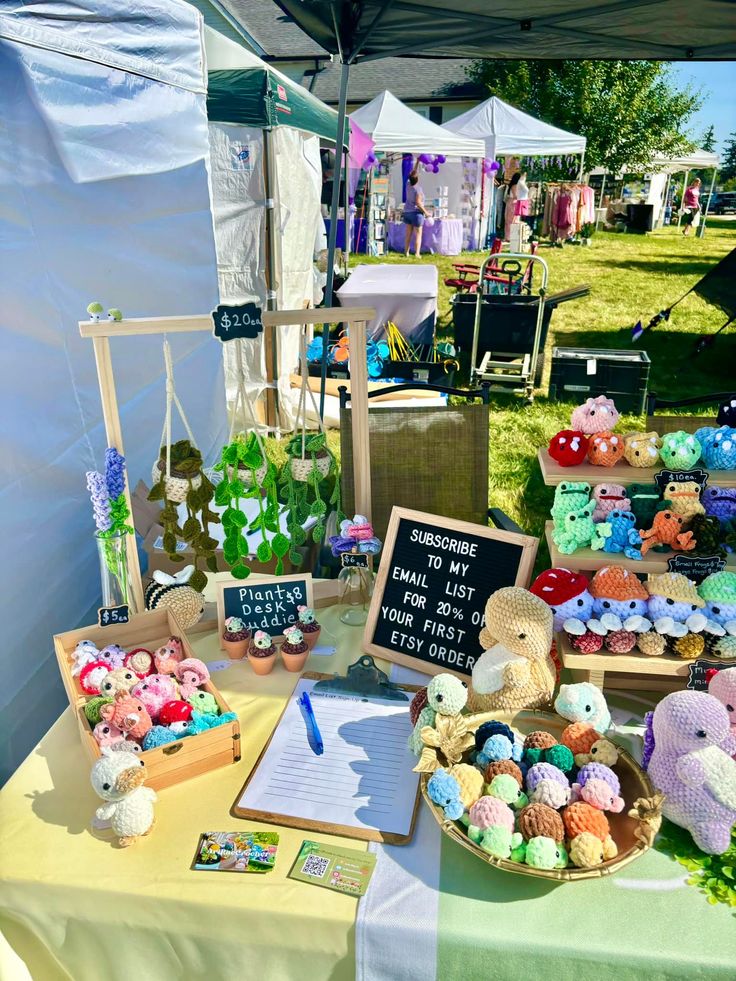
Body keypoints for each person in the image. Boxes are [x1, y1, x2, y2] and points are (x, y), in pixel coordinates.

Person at [403, 171, 428, 257]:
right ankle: (417, 253)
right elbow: (418, 203)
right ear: (417, 179)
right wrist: (426, 212)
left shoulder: (408, 186)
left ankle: (406, 252)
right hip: (416, 214)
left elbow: (412, 174)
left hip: (407, 212)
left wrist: (417, 162)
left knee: (408, 234)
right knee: (418, 235)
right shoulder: (418, 189)